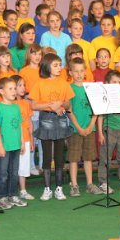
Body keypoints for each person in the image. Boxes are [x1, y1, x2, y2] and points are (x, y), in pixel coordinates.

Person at [30, 52, 74, 201]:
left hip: (60, 120)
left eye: (60, 65)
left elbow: (68, 104)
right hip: (46, 121)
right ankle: (47, 188)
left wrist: (61, 104)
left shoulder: (63, 83)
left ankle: (59, 188)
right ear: (47, 67)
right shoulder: (40, 83)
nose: (59, 67)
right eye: (55, 65)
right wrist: (50, 106)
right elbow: (33, 105)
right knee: (47, 155)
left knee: (60, 155)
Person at [66, 58, 102, 196]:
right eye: (76, 71)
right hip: (75, 129)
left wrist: (91, 125)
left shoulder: (91, 88)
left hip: (90, 129)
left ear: (86, 72)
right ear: (70, 72)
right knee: (73, 158)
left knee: (88, 157)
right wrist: (79, 128)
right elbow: (69, 111)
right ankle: (74, 185)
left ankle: (89, 184)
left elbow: (96, 109)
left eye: (81, 71)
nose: (79, 74)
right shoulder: (69, 88)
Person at [0, 77, 27, 210]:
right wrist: (0, 146)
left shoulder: (16, 107)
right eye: (10, 89)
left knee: (14, 172)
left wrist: (22, 142)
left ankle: (12, 194)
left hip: (15, 145)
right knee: (3, 173)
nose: (14, 91)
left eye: (14, 88)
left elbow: (19, 125)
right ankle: (1, 197)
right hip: (4, 147)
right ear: (2, 91)